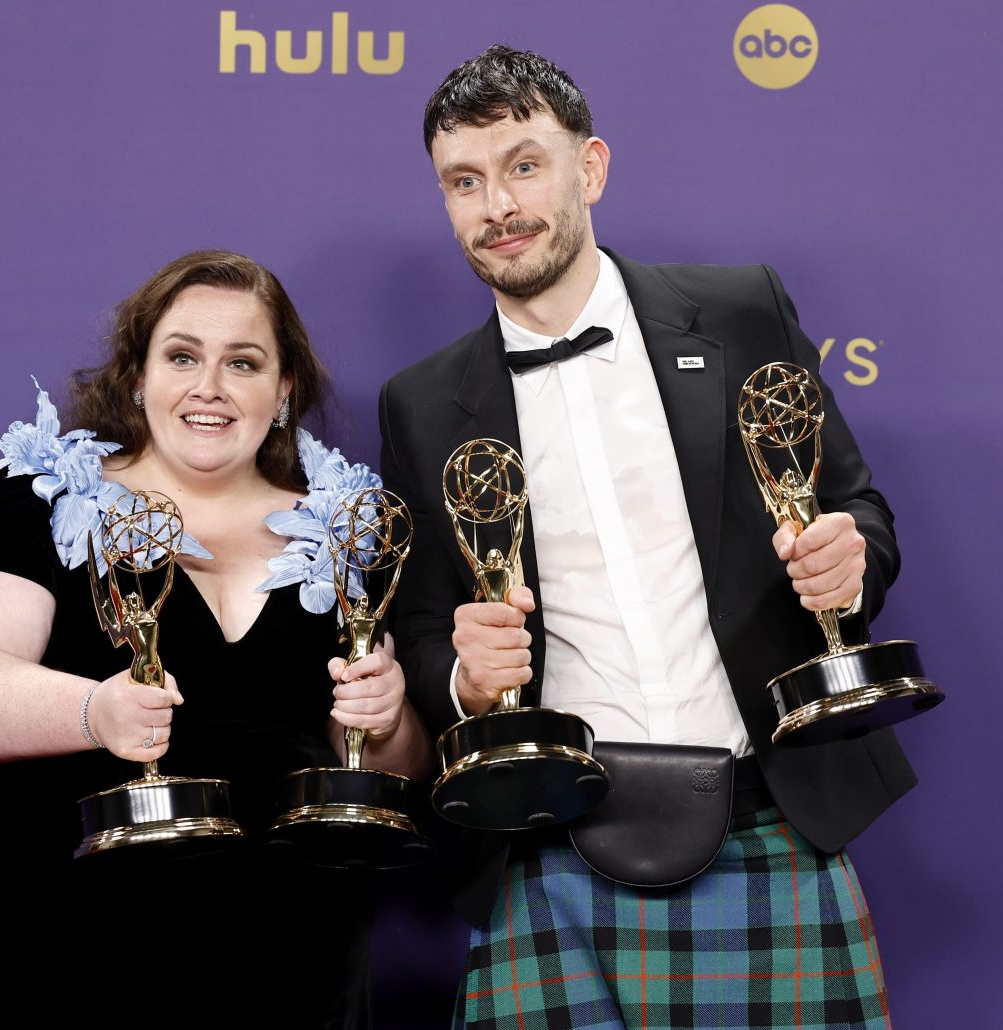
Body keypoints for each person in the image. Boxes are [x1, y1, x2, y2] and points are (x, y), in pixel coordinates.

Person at [378, 46, 914, 1029]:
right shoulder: (418, 405)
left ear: (590, 168)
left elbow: (858, 510)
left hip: (769, 820)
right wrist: (462, 678)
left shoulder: (743, 308)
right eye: (465, 181)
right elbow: (418, 629)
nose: (497, 205)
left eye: (525, 165)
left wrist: (850, 564)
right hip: (549, 840)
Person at [0, 250, 433, 1027]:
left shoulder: (349, 528)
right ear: (137, 375)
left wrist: (389, 722)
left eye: (244, 363)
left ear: (284, 389)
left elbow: (379, 763)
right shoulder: (40, 501)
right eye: (183, 356)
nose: (210, 387)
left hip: (286, 953)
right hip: (53, 940)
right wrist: (95, 710)